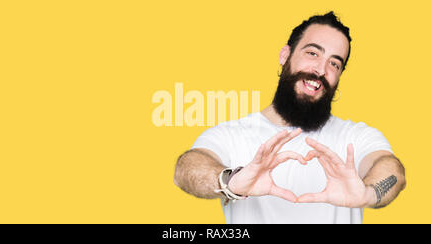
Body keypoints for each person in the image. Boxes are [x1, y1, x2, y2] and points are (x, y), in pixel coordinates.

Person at [173, 11, 406, 224]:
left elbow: (393, 172)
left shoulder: (355, 136)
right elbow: (186, 170)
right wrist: (231, 182)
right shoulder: (234, 134)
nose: (321, 69)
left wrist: (368, 193)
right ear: (286, 55)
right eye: (312, 53)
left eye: (334, 63)